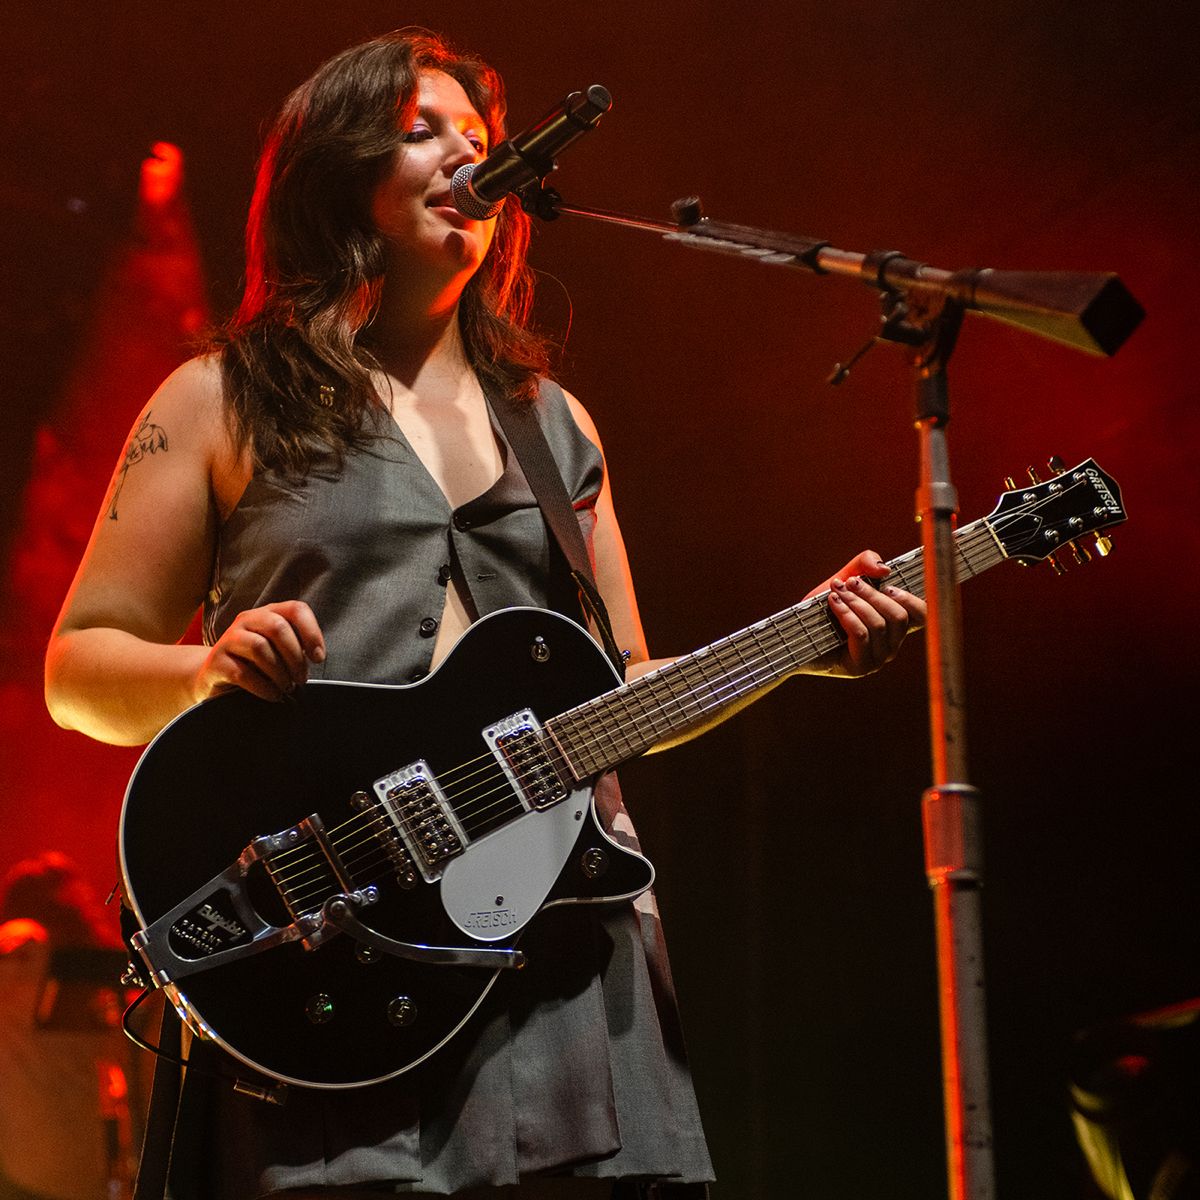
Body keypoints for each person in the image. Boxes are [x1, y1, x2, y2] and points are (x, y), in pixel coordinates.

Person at [43, 27, 925, 1199]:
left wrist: (801, 647)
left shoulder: (555, 424)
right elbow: (77, 668)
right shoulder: (220, 397)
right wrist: (204, 674)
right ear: (338, 168)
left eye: (481, 139)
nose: (469, 157)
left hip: (558, 951)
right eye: (423, 133)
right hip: (338, 940)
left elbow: (627, 691)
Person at [0, 853, 132, 1200]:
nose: (88, 901)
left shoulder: (83, 980)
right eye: (76, 895)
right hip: (54, 1160)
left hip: (54, 1161)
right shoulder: (26, 941)